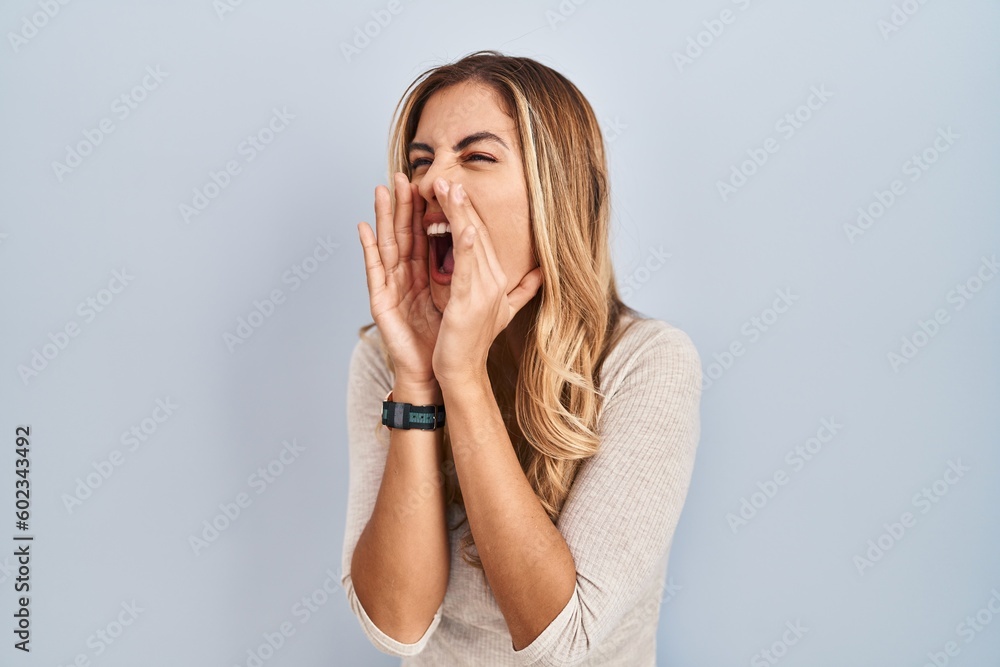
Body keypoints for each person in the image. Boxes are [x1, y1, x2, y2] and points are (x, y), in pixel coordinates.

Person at [341, 50, 702, 666]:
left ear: (554, 195)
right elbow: (396, 625)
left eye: (476, 156)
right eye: (420, 161)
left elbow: (559, 641)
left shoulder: (649, 363)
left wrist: (463, 376)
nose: (430, 183)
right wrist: (419, 381)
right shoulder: (386, 359)